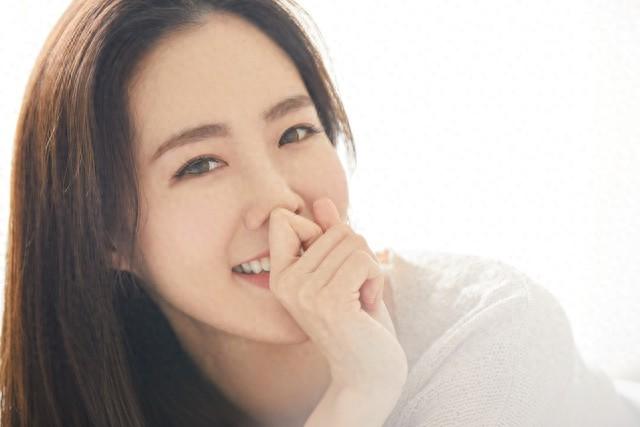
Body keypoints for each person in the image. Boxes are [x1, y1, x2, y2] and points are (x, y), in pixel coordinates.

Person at [1, 1, 638, 426]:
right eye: (200, 164)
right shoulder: (75, 399)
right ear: (105, 232)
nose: (279, 197)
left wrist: (361, 393)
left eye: (295, 132)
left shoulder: (488, 343)